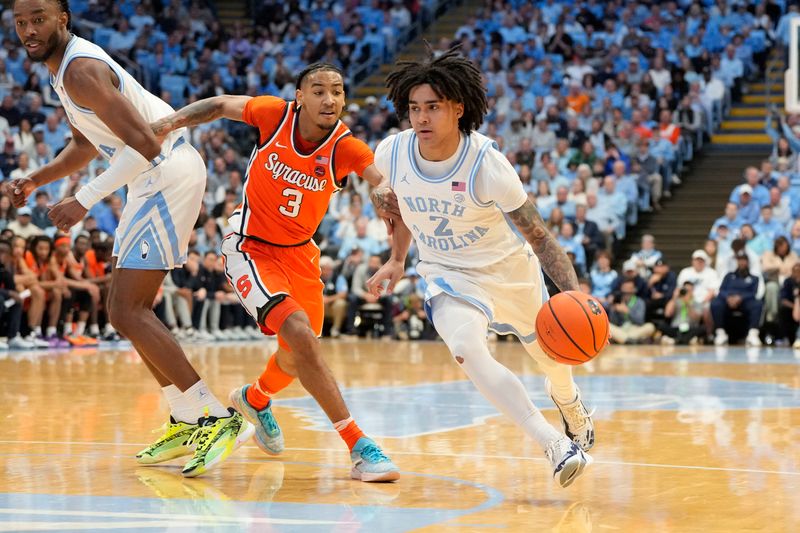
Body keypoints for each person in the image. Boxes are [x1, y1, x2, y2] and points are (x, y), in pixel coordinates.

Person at [8, 0, 252, 477]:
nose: (28, 30)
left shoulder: (80, 68)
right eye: (20, 22)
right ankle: (185, 416)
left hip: (165, 172)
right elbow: (86, 144)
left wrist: (84, 199)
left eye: (38, 18)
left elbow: (146, 142)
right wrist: (38, 179)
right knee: (122, 310)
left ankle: (215, 418)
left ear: (63, 18)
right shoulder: (65, 72)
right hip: (150, 176)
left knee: (128, 310)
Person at [150, 62, 400, 482]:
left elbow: (375, 176)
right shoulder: (273, 115)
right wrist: (170, 122)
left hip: (301, 255)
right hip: (250, 247)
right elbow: (219, 104)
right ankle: (359, 446)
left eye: (337, 91)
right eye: (318, 90)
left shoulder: (346, 147)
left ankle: (255, 397)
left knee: (297, 353)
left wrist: (379, 187)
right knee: (301, 336)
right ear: (299, 96)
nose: (330, 99)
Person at [366, 48, 594, 487]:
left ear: (458, 107)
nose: (422, 118)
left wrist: (573, 294)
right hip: (447, 273)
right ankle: (552, 444)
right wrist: (397, 259)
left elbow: (540, 236)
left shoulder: (487, 164)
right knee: (467, 348)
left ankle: (570, 403)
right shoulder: (391, 153)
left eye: (433, 107)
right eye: (414, 108)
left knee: (553, 360)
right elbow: (399, 208)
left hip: (509, 271)